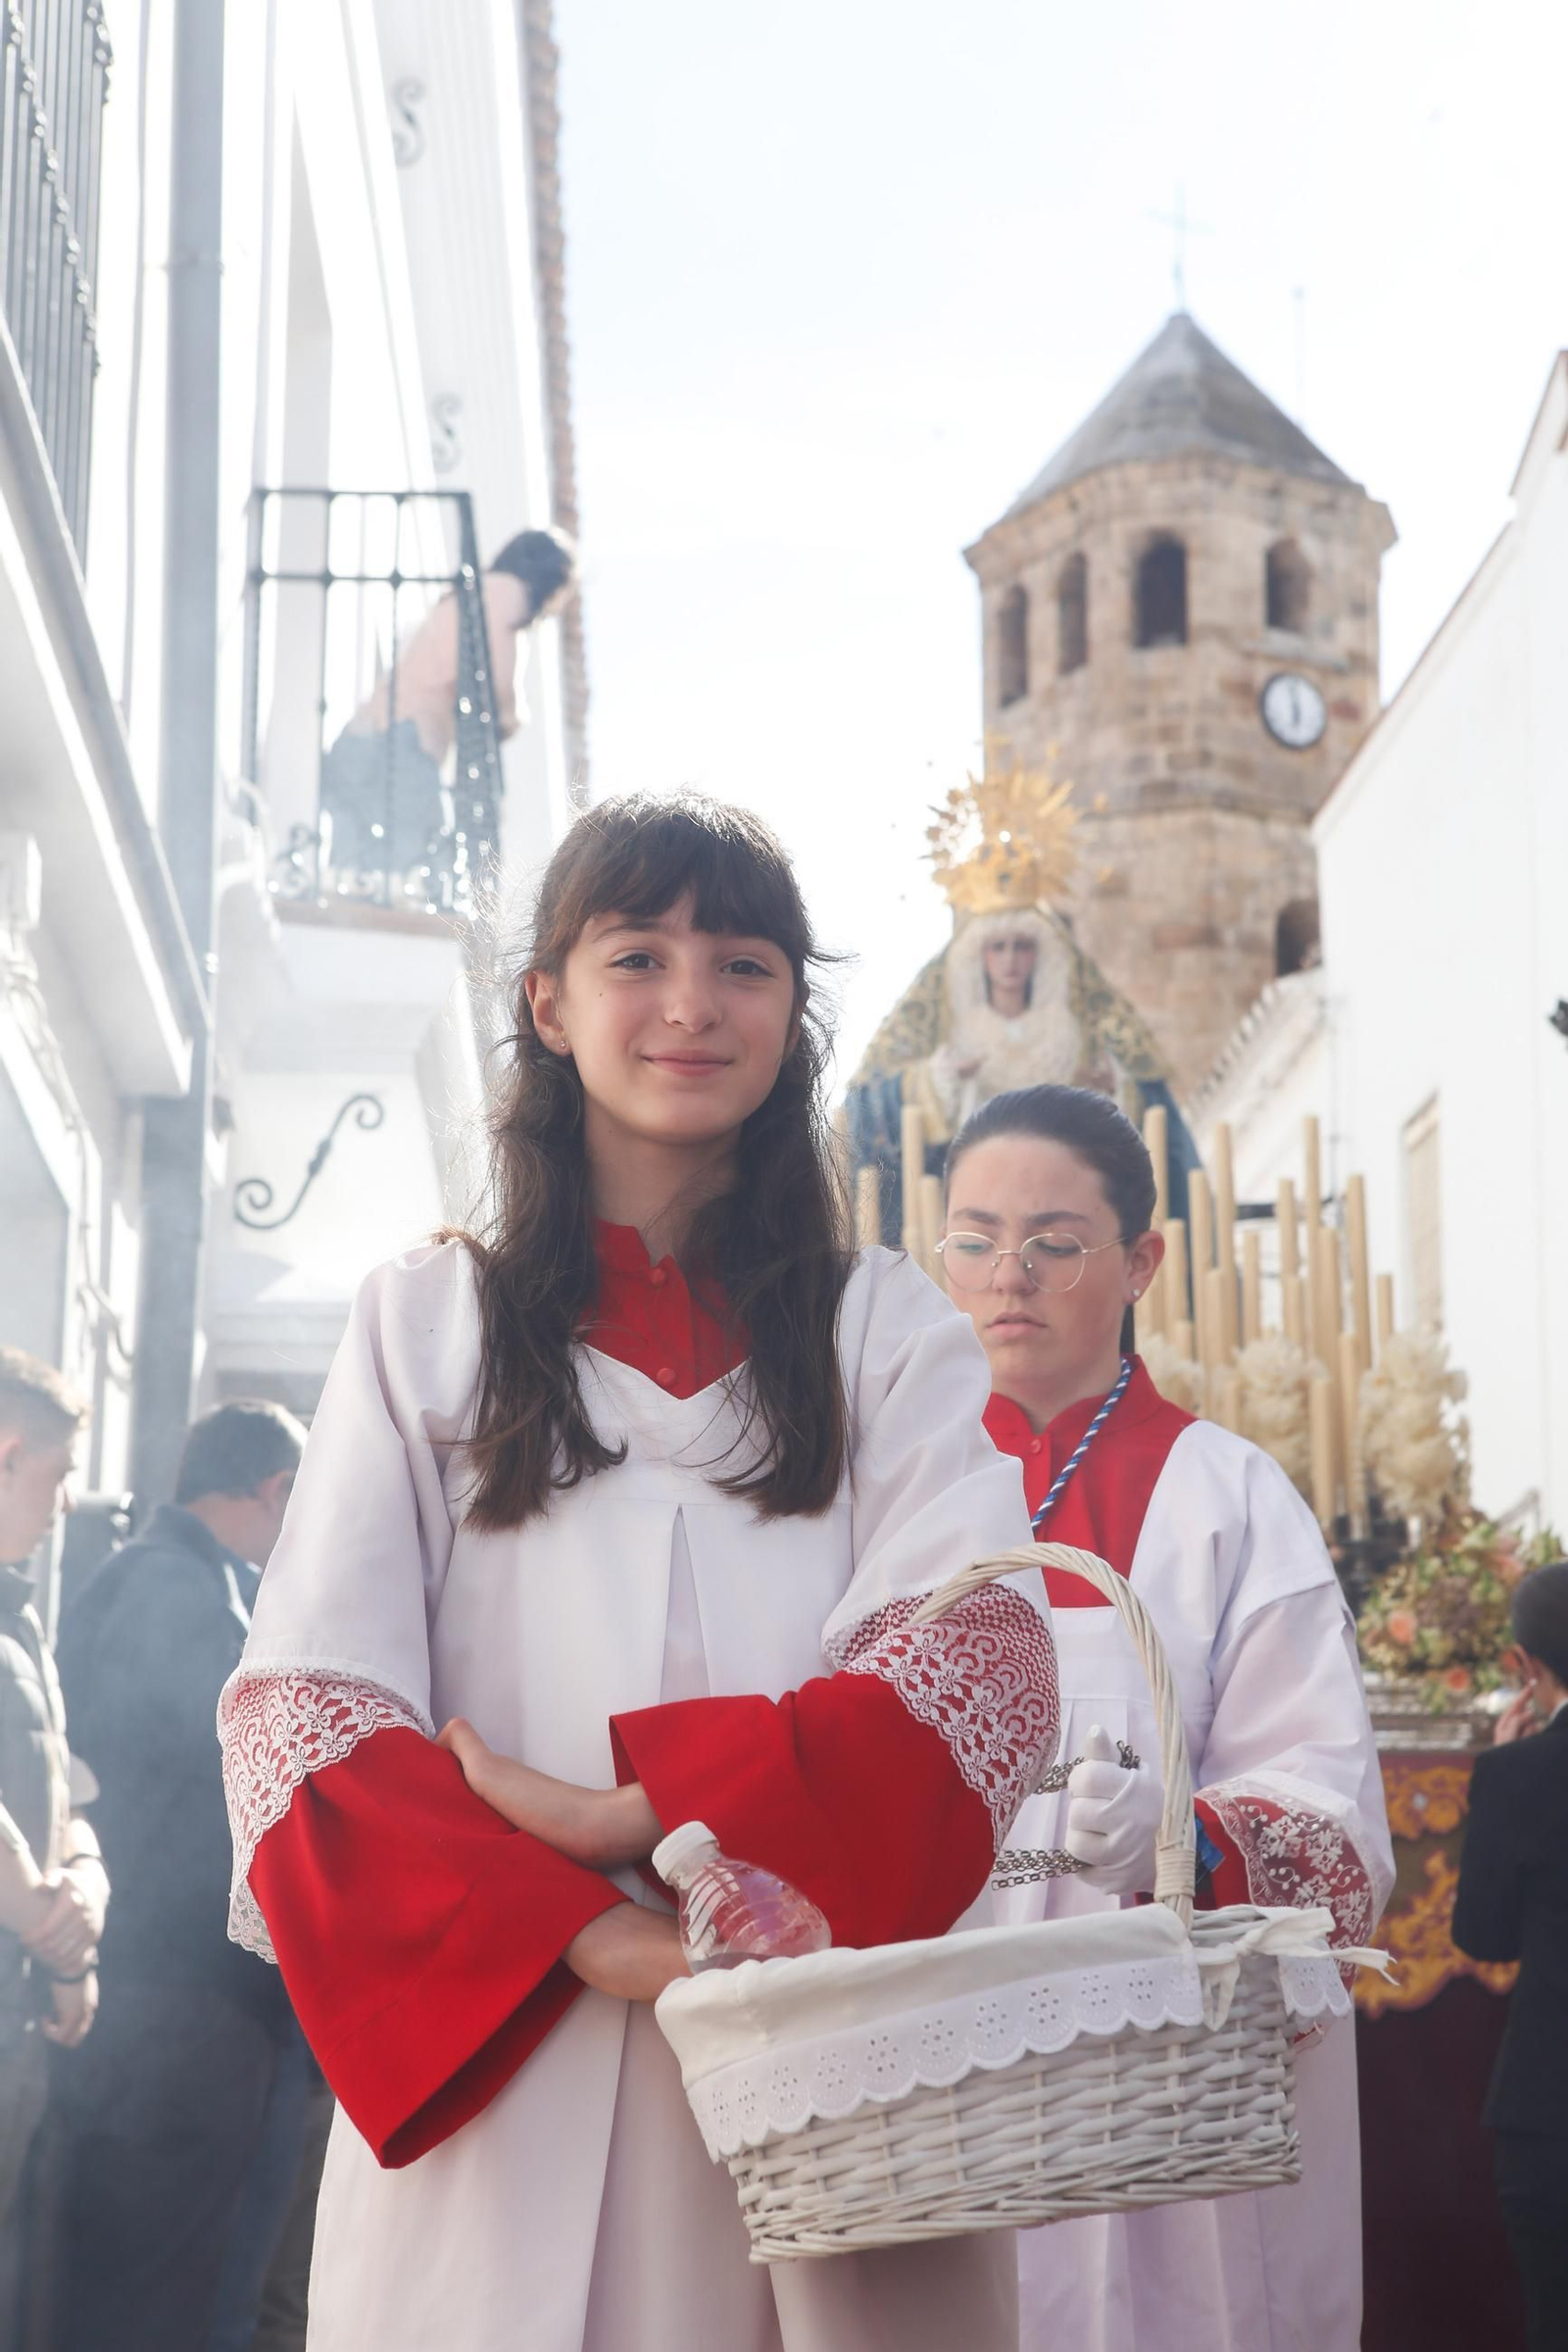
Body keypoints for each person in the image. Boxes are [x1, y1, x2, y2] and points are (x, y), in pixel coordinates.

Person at [218, 791, 1057, 2352]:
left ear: (794, 1011)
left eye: (743, 962)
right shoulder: (421, 1327)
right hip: (509, 2043)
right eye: (637, 954)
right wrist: (597, 1931)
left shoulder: (887, 1333)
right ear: (547, 1001)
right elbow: (310, 1724)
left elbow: (974, 1677)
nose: (690, 1004)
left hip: (818, 2060)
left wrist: (633, 1811)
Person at [936, 1084, 1394, 2352]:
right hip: (936, 2070)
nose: (1006, 1277)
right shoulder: (885, 1492)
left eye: (1055, 1242)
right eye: (973, 1239)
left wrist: (1178, 1842)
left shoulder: (1229, 1499)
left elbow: (1336, 1825)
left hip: (1169, 2072)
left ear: (1140, 1261)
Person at [54, 1398, 310, 2352]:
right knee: (158, 2293)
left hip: (172, 2002)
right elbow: (251, 1771)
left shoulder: (173, 1585)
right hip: (174, 2006)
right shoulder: (174, 1591)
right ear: (275, 1490)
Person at [0, 1350, 106, 2334]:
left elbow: (66, 1785)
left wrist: (82, 1889)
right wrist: (49, 1923)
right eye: (59, 1476)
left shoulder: (19, 1616)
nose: (64, 1504)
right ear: (6, 1451)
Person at [318, 524, 576, 876]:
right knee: (419, 864)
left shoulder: (466, 593)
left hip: (360, 737)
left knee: (352, 873)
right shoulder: (508, 592)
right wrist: (513, 718)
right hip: (402, 742)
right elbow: (499, 687)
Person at [1453, 1561, 1568, 2352]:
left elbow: (1485, 1937)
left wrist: (1499, 1773)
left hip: (1551, 2106)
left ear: (1526, 1668)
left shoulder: (1516, 1775)